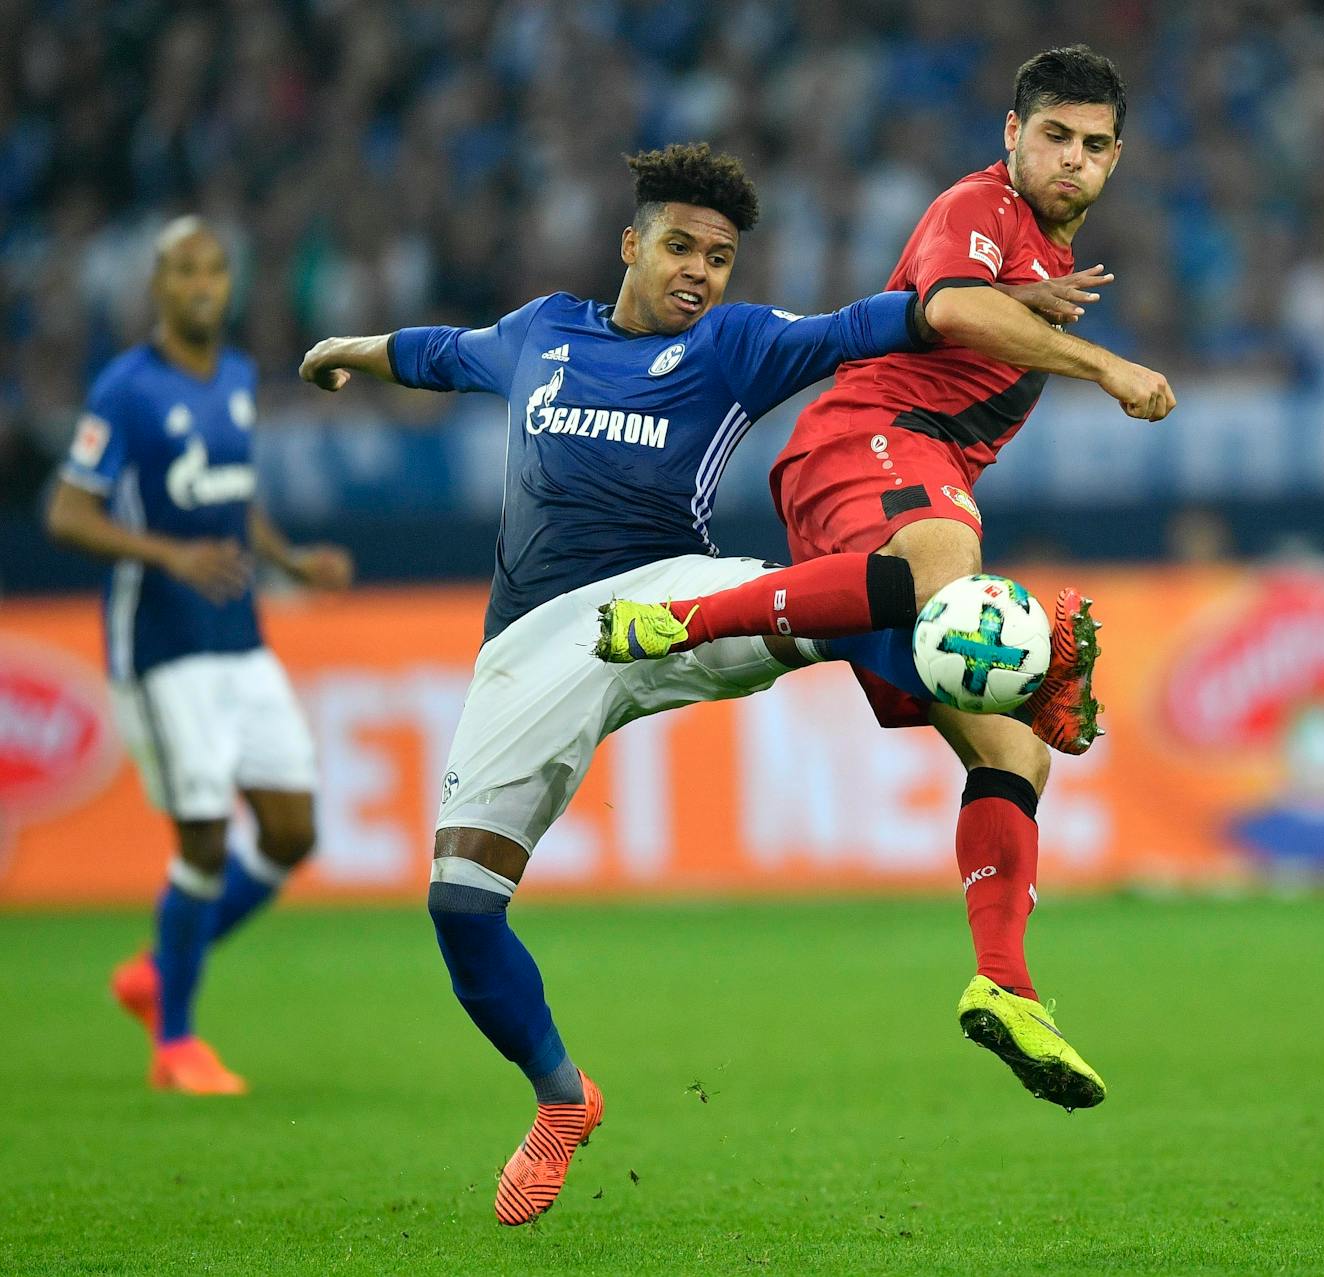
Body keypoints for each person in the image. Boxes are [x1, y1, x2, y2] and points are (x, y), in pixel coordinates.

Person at [298, 142, 1094, 1225]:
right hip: (532, 646)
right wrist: (347, 347)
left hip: (673, 591)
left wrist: (1006, 303)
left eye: (718, 258)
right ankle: (562, 1097)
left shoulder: (733, 344)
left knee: (873, 592)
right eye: (679, 247)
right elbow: (440, 352)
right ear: (629, 245)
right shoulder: (540, 334)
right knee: (458, 905)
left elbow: (880, 321)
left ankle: (1009, 672)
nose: (698, 273)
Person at [600, 47, 1178, 1114]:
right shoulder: (978, 203)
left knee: (1015, 751)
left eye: (1095, 145)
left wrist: (1041, 308)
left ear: (1116, 160)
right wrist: (1106, 366)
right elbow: (950, 308)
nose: (1072, 159)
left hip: (906, 474)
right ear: (1012, 134)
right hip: (866, 437)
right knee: (942, 566)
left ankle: (1004, 984)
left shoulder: (1042, 253)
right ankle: (678, 617)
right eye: (1054, 135)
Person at [45, 217, 353, 1095]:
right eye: (185, 271)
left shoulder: (237, 377)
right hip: (162, 650)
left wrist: (290, 560)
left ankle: (156, 968)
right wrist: (168, 554)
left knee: (293, 829)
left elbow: (233, 497)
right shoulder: (124, 389)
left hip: (240, 639)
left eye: (216, 269)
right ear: (158, 286)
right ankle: (175, 1042)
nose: (203, 285)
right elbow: (67, 513)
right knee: (205, 842)